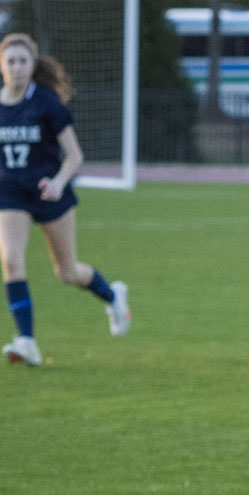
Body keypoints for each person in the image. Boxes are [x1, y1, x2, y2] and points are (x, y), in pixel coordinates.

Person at [0, 33, 130, 366]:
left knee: (67, 272)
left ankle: (113, 296)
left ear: (32, 64)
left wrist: (58, 182)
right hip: (11, 193)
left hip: (48, 192)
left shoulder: (45, 102)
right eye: (10, 61)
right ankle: (26, 341)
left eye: (22, 61)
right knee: (11, 260)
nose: (16, 67)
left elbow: (74, 156)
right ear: (2, 65)